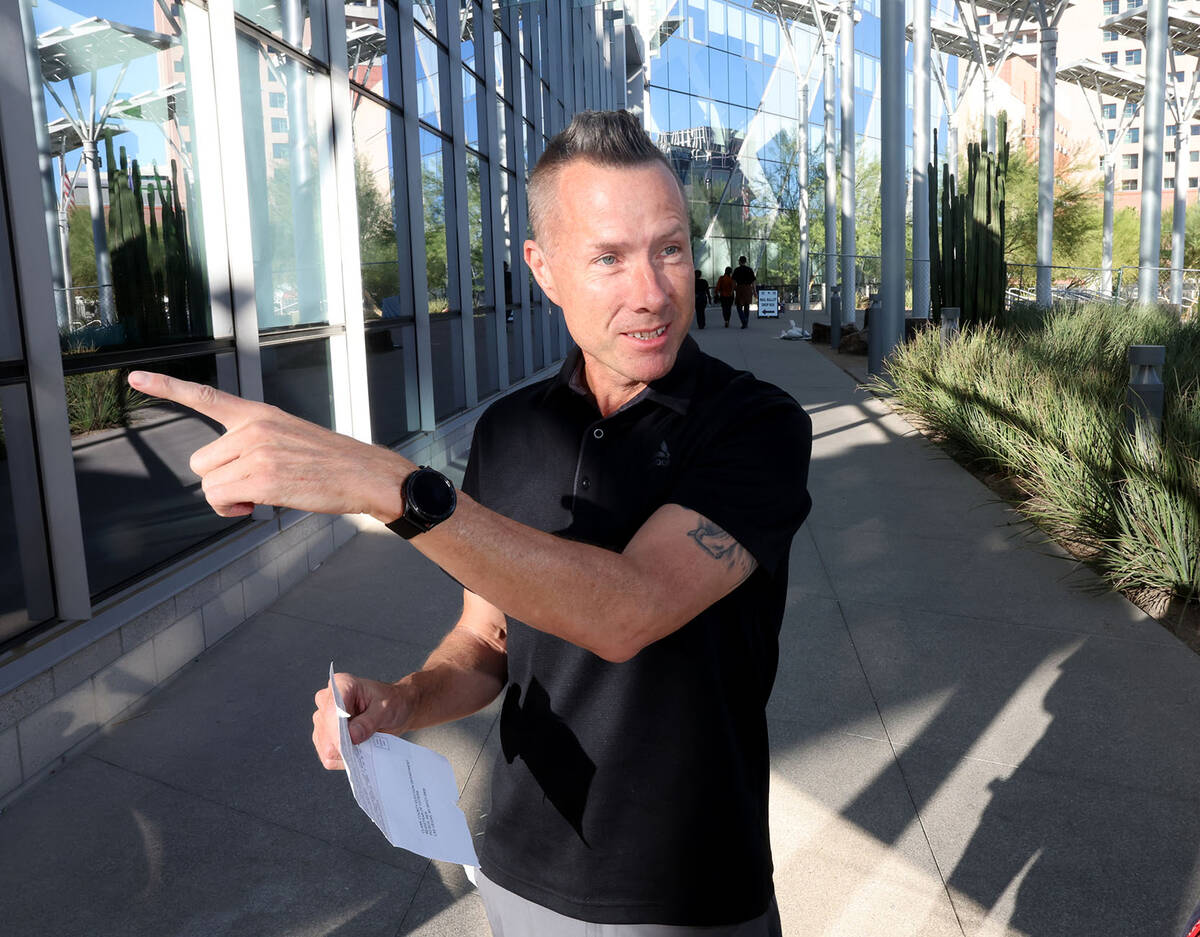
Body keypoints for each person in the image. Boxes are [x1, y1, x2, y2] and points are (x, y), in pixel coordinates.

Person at [126, 109, 812, 936]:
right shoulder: (511, 430)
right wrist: (403, 699)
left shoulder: (757, 423)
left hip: (691, 890)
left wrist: (384, 483)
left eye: (669, 249)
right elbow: (489, 642)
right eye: (608, 258)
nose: (652, 292)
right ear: (544, 268)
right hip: (519, 872)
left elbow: (628, 609)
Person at [732, 255, 757, 329]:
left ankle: (743, 320)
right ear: (745, 262)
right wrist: (754, 291)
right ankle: (745, 321)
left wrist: (733, 289)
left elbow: (733, 281)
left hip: (739, 288)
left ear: (739, 261)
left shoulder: (737, 270)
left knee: (738, 306)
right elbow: (753, 281)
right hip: (748, 288)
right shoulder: (749, 270)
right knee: (747, 305)